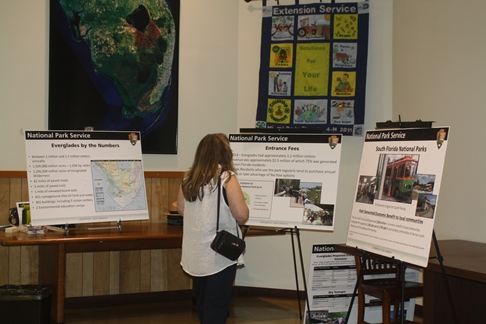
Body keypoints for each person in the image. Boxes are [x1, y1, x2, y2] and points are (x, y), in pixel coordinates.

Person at [177, 133, 249, 324]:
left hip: (196, 253)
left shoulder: (188, 178)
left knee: (202, 304)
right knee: (216, 306)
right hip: (220, 255)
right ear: (226, 153)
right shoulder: (226, 178)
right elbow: (242, 215)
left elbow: (181, 209)